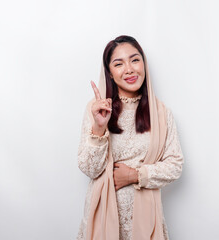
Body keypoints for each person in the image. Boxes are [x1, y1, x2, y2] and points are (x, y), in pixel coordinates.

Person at [76, 35, 184, 240]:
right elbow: (89, 168)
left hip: (146, 219)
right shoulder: (97, 108)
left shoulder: (161, 113)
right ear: (109, 72)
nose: (129, 69)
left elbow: (175, 165)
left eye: (135, 60)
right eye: (119, 64)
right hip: (102, 218)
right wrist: (99, 128)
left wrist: (135, 175)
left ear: (144, 63)